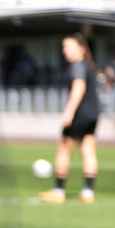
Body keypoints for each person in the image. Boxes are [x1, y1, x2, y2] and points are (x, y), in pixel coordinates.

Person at [39, 33, 100, 204]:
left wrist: (69, 111)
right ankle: (88, 193)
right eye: (64, 47)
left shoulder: (77, 65)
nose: (66, 51)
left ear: (81, 49)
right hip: (93, 114)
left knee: (64, 149)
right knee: (88, 150)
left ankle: (58, 192)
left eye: (69, 47)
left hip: (80, 113)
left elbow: (78, 88)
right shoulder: (88, 65)